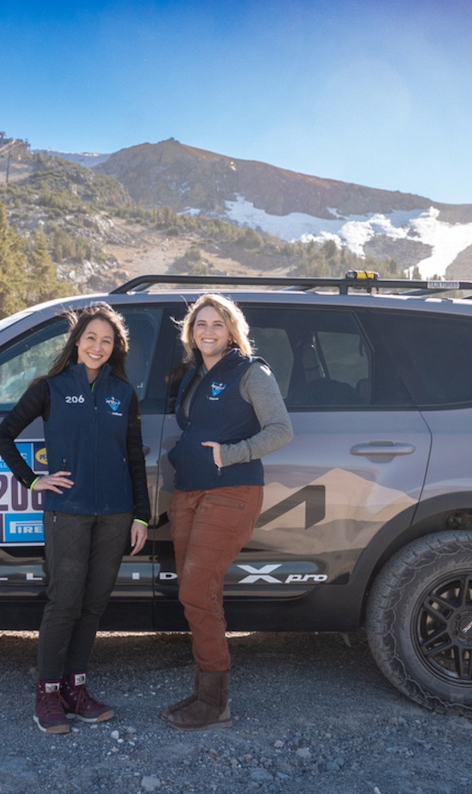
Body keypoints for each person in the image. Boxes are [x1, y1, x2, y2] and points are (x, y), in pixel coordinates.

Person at [0, 302, 150, 735]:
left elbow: (134, 457)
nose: (98, 346)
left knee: (93, 605)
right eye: (91, 338)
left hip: (116, 514)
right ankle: (47, 694)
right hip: (68, 513)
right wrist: (32, 480)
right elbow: (2, 434)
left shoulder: (123, 393)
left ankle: (76, 689)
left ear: (117, 347)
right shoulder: (51, 387)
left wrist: (142, 517)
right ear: (77, 341)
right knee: (64, 604)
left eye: (107, 340)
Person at [162, 293, 293, 730]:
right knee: (197, 592)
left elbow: (281, 430)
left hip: (230, 491)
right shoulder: (197, 374)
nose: (208, 331)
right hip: (189, 493)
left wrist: (231, 454)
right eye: (201, 324)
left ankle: (216, 703)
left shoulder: (250, 371)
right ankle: (206, 693)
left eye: (217, 324)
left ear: (232, 329)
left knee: (197, 591)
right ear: (191, 332)